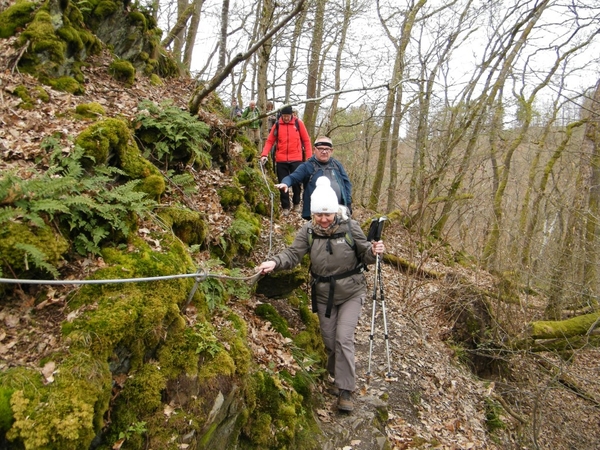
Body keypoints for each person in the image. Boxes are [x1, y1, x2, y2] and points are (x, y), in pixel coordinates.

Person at [256, 177, 386, 412]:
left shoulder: (350, 227)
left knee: (343, 338)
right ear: (313, 214)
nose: (324, 219)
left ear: (335, 211)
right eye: (319, 215)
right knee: (329, 341)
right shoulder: (308, 231)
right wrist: (274, 263)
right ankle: (337, 376)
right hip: (324, 295)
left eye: (328, 214)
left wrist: (375, 251)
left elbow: (367, 255)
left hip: (351, 292)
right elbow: (293, 254)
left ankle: (346, 390)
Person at [275, 135, 352, 220]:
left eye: (327, 149)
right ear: (314, 150)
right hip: (315, 214)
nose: (324, 151)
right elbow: (293, 177)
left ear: (331, 151)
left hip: (338, 211)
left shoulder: (337, 165)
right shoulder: (307, 166)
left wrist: (348, 203)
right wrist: (285, 183)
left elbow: (346, 183)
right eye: (320, 149)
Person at [260, 105, 312, 215]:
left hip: (296, 158)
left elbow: (306, 141)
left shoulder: (298, 123)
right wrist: (264, 154)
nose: (286, 118)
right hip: (281, 159)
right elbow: (270, 141)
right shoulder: (277, 125)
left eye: (288, 116)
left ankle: (296, 203)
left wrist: (309, 157)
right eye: (284, 116)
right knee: (283, 183)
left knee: (297, 182)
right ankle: (285, 206)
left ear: (292, 115)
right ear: (281, 115)